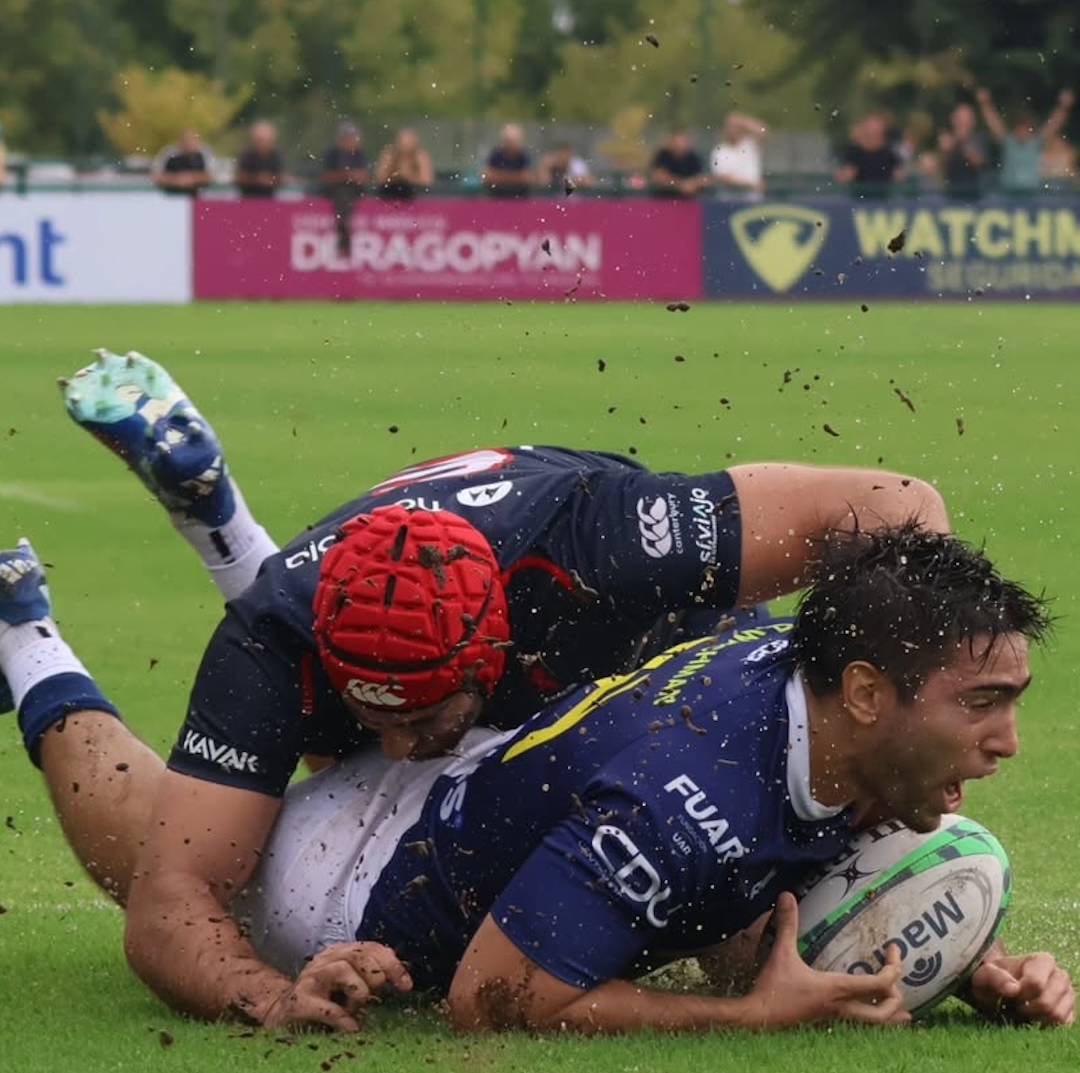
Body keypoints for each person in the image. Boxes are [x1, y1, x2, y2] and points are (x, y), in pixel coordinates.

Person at [20, 347, 950, 1025]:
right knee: (161, 852)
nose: (394, 749)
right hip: (375, 646)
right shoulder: (273, 640)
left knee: (725, 883)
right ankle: (28, 631)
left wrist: (881, 711)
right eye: (370, 715)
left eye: (425, 716)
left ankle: (215, 526)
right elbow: (172, 903)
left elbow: (898, 506)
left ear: (493, 656)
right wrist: (272, 998)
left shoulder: (606, 541)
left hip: (629, 660)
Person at [0, 524, 1070, 1034]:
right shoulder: (676, 810)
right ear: (869, 692)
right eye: (981, 704)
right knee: (153, 855)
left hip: (475, 778)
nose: (1008, 742)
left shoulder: (812, 674)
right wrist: (751, 1017)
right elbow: (492, 1000)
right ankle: (26, 636)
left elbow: (776, 892)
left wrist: (958, 961)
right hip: (348, 885)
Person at [975, 86, 1075, 194]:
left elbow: (1053, 125)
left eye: (1026, 129)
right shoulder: (1009, 142)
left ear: (1030, 130)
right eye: (1019, 128)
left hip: (1032, 194)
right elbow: (994, 124)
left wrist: (1063, 107)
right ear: (1014, 129)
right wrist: (985, 104)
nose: (1022, 132)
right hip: (1008, 193)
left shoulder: (1035, 143)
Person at [319, 120, 368, 257]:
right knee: (343, 193)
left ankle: (343, 226)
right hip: (336, 189)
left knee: (345, 194)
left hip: (353, 189)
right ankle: (344, 226)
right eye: (346, 137)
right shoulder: (332, 154)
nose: (348, 141)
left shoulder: (359, 154)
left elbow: (363, 177)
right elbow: (325, 176)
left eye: (351, 137)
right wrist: (347, 175)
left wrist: (348, 176)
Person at [834, 113, 904, 201]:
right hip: (858, 200)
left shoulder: (889, 153)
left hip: (883, 200)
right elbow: (843, 175)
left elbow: (899, 175)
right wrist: (845, 175)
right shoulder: (853, 152)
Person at [937, 103, 989, 202]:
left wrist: (962, 143)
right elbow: (941, 166)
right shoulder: (947, 138)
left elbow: (979, 162)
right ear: (953, 120)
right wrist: (947, 149)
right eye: (960, 119)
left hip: (974, 195)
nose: (963, 123)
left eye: (966, 119)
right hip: (950, 194)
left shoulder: (979, 138)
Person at [710, 113, 767, 200]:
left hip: (753, 199)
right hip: (728, 201)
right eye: (730, 127)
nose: (733, 130)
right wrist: (750, 184)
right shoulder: (719, 150)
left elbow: (762, 131)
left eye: (736, 127)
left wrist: (743, 121)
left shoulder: (750, 144)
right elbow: (723, 177)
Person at [373, 128, 434, 201]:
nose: (404, 146)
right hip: (388, 196)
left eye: (408, 143)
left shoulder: (421, 156)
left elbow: (426, 182)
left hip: (416, 197)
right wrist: (396, 177)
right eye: (401, 142)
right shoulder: (389, 155)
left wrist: (408, 178)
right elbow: (380, 178)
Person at [151, 129, 214, 197]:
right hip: (169, 196)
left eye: (192, 140)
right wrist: (176, 180)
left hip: (199, 196)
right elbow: (155, 176)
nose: (189, 143)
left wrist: (192, 178)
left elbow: (212, 176)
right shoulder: (168, 153)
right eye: (186, 140)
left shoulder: (205, 153)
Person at [649, 130, 710, 198]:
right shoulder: (663, 155)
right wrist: (681, 184)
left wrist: (692, 183)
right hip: (664, 198)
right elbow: (658, 177)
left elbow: (702, 178)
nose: (679, 145)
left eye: (682, 141)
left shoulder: (694, 157)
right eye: (677, 142)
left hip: (689, 199)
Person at [234, 120, 286, 198]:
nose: (262, 144)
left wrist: (267, 179)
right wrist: (258, 179)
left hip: (270, 198)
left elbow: (282, 177)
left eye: (266, 141)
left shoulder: (276, 156)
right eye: (259, 141)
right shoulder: (247, 155)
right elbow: (240, 177)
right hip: (248, 198)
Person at [481, 124, 535, 197]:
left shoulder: (524, 156)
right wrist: (516, 177)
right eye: (508, 141)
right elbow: (488, 176)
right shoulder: (496, 154)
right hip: (496, 195)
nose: (511, 144)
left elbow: (529, 178)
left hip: (521, 196)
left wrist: (502, 177)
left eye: (514, 141)